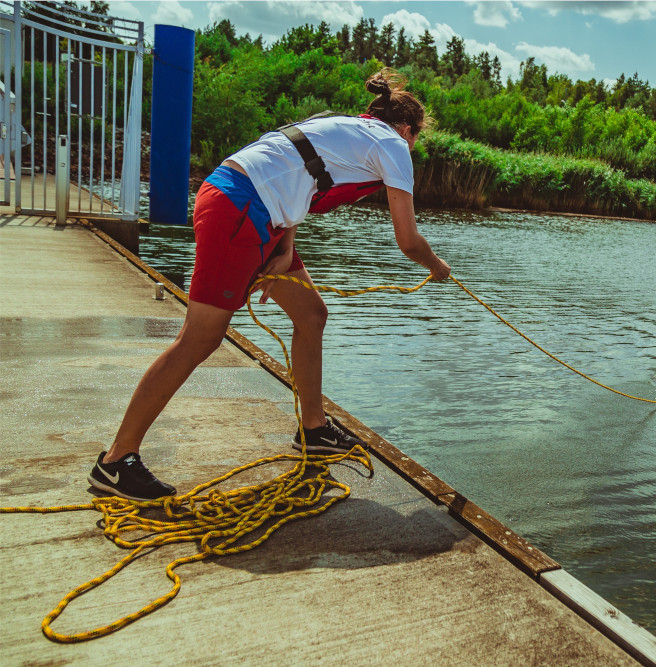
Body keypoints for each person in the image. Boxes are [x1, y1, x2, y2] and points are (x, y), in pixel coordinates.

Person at [88, 69, 451, 501]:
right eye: (415, 141)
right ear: (407, 130)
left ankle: (313, 429)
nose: (413, 149)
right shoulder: (393, 144)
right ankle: (116, 460)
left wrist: (284, 242)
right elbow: (408, 240)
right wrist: (436, 266)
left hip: (254, 209)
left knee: (312, 314)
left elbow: (301, 175)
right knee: (200, 338)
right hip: (238, 208)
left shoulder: (345, 128)